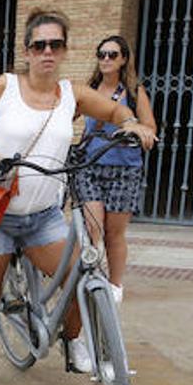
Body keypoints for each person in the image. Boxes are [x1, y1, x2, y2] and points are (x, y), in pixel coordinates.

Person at [0, 11, 156, 385]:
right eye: (39, 45)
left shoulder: (73, 94)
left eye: (56, 44)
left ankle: (73, 340)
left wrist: (134, 123)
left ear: (64, 50)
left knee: (83, 275)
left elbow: (116, 111)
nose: (47, 52)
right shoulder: (5, 87)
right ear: (27, 50)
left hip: (43, 216)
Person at [71, 35, 155, 305]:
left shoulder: (134, 92)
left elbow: (150, 127)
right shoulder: (89, 90)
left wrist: (141, 133)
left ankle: (115, 286)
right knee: (93, 228)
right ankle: (91, 277)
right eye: (102, 54)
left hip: (124, 168)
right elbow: (66, 115)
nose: (106, 59)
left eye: (112, 54)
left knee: (114, 234)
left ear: (123, 59)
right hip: (90, 166)